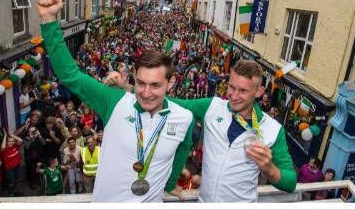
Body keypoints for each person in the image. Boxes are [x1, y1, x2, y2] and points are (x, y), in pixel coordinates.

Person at [37, 0, 195, 202]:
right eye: (140, 83)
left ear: (171, 83)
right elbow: (70, 75)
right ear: (133, 79)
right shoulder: (114, 100)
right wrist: (49, 21)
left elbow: (183, 149)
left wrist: (172, 183)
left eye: (155, 85)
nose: (146, 93)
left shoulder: (184, 117)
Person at [109, 59, 297, 202]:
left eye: (243, 91)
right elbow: (173, 103)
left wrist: (269, 169)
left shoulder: (273, 130)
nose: (234, 95)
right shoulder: (213, 107)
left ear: (258, 92)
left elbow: (290, 183)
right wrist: (126, 87)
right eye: (231, 87)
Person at [1, 130, 23, 196]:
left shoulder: (15, 146)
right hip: (10, 169)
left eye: (12, 141)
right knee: (11, 182)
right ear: (6, 142)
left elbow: (21, 140)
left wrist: (11, 135)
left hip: (17, 166)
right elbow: (2, 147)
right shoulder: (5, 150)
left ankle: (15, 191)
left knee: (16, 180)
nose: (11, 143)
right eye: (9, 141)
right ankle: (10, 194)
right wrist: (5, 136)